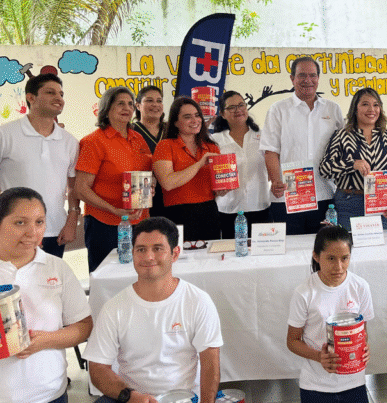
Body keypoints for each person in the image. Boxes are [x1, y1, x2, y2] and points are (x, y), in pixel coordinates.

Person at [83, 217, 222, 403]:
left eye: (158, 249)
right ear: (132, 253)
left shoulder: (198, 301)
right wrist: (129, 395)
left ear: (174, 254)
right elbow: (97, 368)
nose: (148, 257)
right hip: (131, 397)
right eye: (141, 249)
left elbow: (210, 363)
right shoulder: (114, 307)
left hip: (184, 398)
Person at [0, 187, 92, 403]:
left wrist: (46, 340)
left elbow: (83, 326)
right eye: (20, 222)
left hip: (50, 394)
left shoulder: (56, 268)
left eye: (39, 222)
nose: (32, 232)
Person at [287, 225, 374, 402]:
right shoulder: (304, 292)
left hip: (354, 381)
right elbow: (292, 341)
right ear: (316, 256)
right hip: (316, 385)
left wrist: (364, 348)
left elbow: (362, 331)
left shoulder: (360, 287)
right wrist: (319, 357)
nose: (339, 267)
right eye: (331, 258)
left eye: (345, 258)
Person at [261, 57, 344, 235]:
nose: (308, 80)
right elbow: (270, 150)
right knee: (291, 250)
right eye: (302, 75)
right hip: (288, 196)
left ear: (318, 78)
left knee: (324, 250)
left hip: (325, 194)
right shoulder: (278, 109)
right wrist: (275, 180)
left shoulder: (333, 109)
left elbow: (344, 148)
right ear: (292, 78)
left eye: (313, 75)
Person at [0, 73, 80, 258]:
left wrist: (72, 219)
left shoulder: (70, 142)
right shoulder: (6, 134)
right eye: (50, 92)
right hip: (12, 232)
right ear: (31, 97)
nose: (58, 98)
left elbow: (73, 186)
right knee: (12, 286)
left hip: (54, 231)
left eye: (61, 94)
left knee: (49, 286)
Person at [75, 86, 152, 272]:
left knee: (138, 276)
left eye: (130, 104)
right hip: (105, 224)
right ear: (107, 108)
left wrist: (151, 187)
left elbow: (147, 176)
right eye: (120, 104)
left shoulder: (138, 139)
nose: (127, 108)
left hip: (139, 222)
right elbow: (81, 189)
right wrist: (114, 210)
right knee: (106, 277)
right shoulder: (94, 141)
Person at [319, 88, 387, 230]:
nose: (371, 109)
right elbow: (325, 169)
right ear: (355, 109)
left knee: (383, 250)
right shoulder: (341, 136)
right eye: (365, 104)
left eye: (376, 105)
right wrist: (352, 164)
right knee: (349, 248)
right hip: (349, 203)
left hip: (382, 204)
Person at [153, 97, 226, 242]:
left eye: (197, 115)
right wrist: (199, 163)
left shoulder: (212, 147)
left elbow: (216, 187)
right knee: (179, 261)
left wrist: (222, 189)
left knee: (211, 261)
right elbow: (168, 183)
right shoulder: (165, 146)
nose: (195, 120)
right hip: (177, 214)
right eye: (187, 117)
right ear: (175, 122)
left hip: (209, 212)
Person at [210, 90, 271, 238]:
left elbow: (274, 166)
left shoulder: (263, 136)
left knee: (262, 256)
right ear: (222, 114)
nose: (237, 110)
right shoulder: (214, 140)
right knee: (231, 254)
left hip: (259, 205)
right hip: (228, 208)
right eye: (231, 107)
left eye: (241, 105)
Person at [132, 85, 167, 218]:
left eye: (159, 101)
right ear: (138, 105)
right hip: (142, 194)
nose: (155, 105)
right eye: (149, 100)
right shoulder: (130, 131)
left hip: (171, 195)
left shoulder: (171, 130)